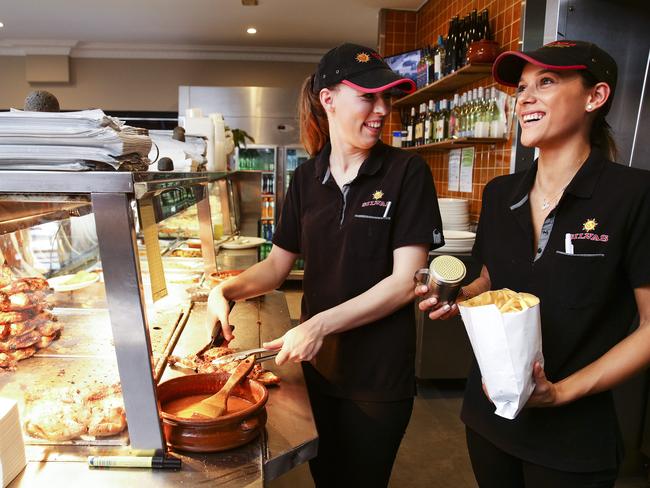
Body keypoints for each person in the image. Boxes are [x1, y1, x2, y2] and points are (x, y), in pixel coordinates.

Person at [207, 43, 444, 486]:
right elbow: (277, 266)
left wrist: (317, 325)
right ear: (328, 99)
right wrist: (225, 291)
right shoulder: (306, 178)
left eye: (386, 98)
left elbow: (404, 281)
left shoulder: (406, 172)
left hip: (377, 378)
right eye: (368, 96)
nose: (381, 110)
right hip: (317, 374)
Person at [417, 40, 650, 487]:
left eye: (546, 82)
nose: (525, 98)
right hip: (489, 416)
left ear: (594, 97)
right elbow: (489, 278)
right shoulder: (501, 193)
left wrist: (560, 392)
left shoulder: (634, 197)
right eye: (522, 87)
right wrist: (455, 296)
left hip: (575, 437)